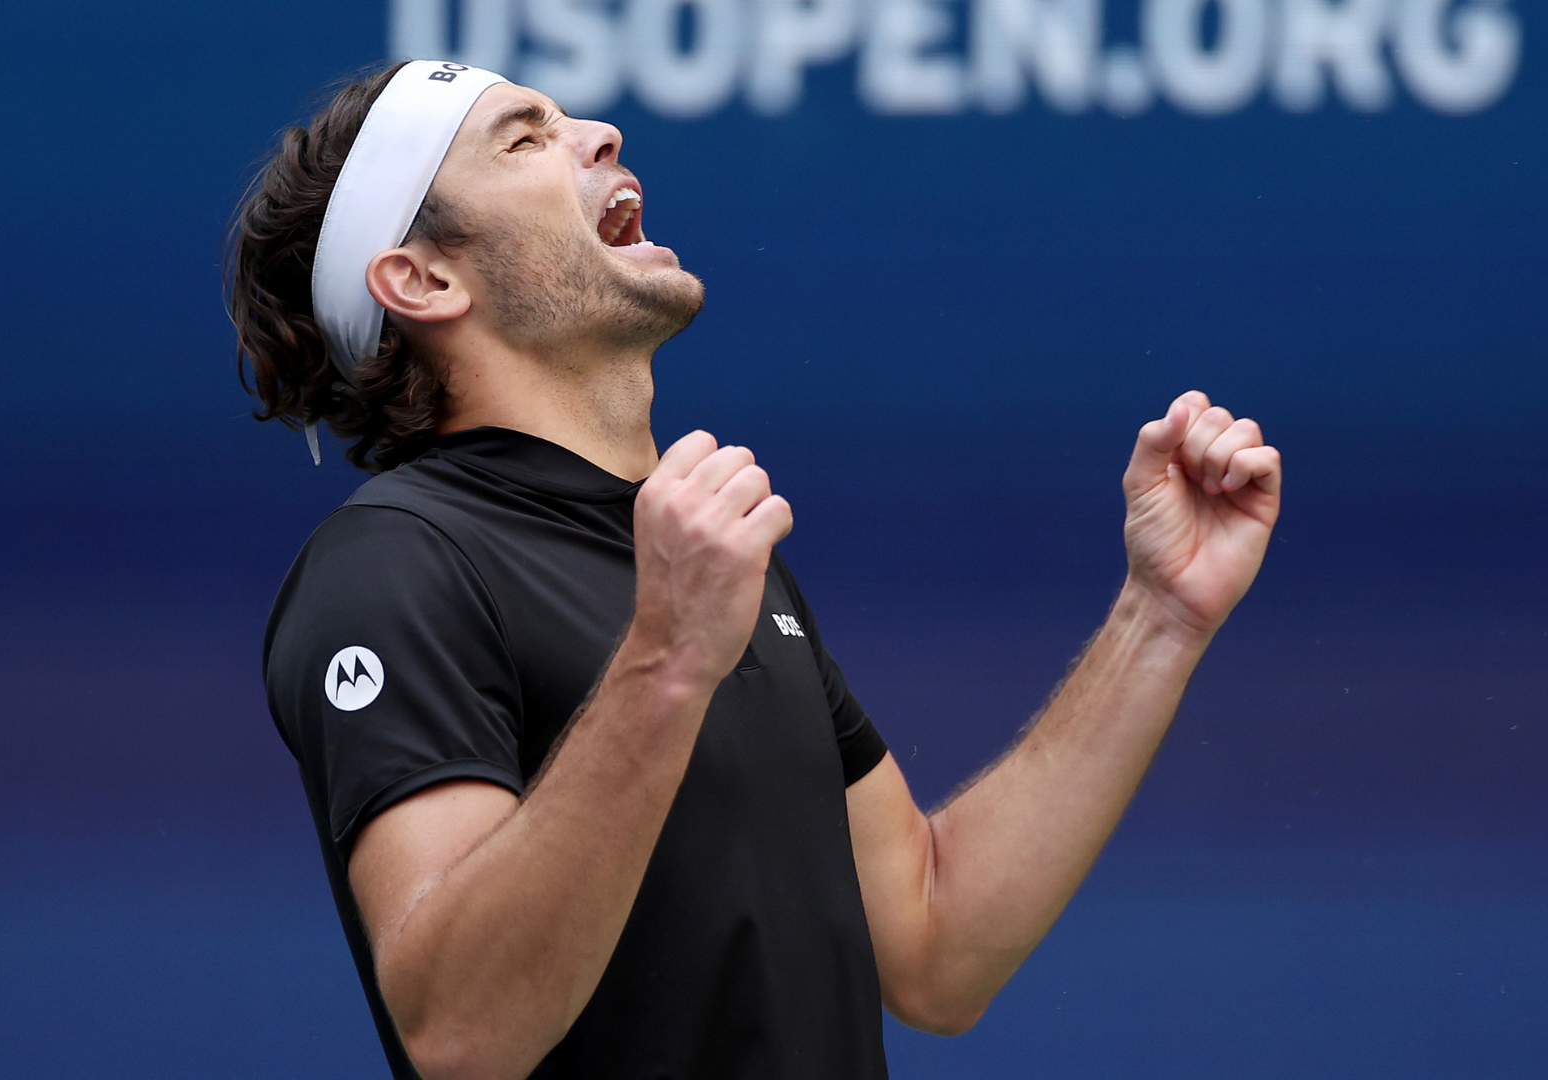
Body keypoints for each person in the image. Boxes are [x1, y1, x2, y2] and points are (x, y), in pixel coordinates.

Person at [229, 60, 1282, 1080]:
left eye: (567, 118)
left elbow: (934, 943)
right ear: (422, 278)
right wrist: (668, 659)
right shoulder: (392, 565)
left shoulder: (708, 565)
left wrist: (1158, 615)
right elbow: (460, 1034)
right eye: (526, 139)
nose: (601, 134)